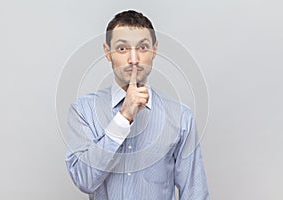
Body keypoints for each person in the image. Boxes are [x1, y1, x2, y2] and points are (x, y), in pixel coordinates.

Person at [65, 10, 209, 200]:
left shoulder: (181, 118)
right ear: (107, 52)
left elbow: (195, 194)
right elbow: (85, 181)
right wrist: (123, 118)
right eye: (122, 49)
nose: (133, 59)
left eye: (142, 47)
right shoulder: (83, 111)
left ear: (155, 50)